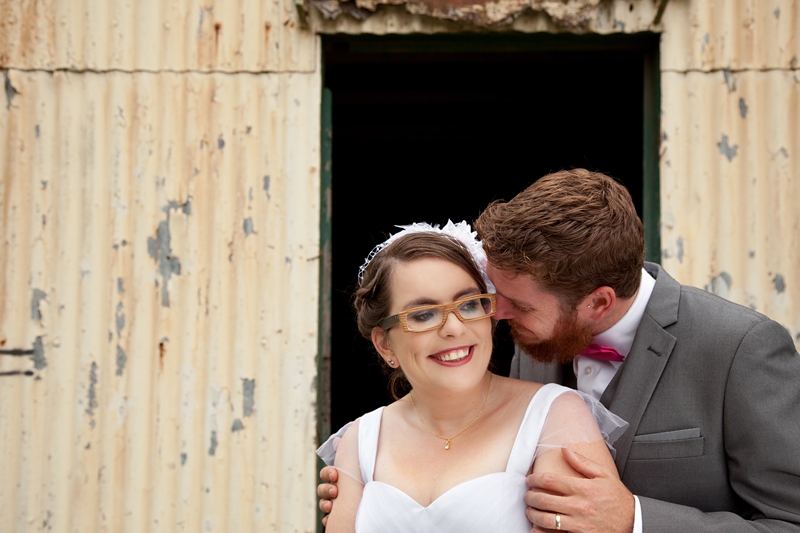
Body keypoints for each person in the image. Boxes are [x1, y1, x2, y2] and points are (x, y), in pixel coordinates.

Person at [320, 169, 800, 533]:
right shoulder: (535, 340)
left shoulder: (741, 347)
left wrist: (635, 518)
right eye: (493, 293)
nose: (496, 314)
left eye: (520, 304)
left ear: (598, 302)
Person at [318, 222, 627, 532]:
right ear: (385, 344)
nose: (453, 328)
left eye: (468, 305)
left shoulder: (555, 416)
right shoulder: (361, 440)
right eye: (423, 314)